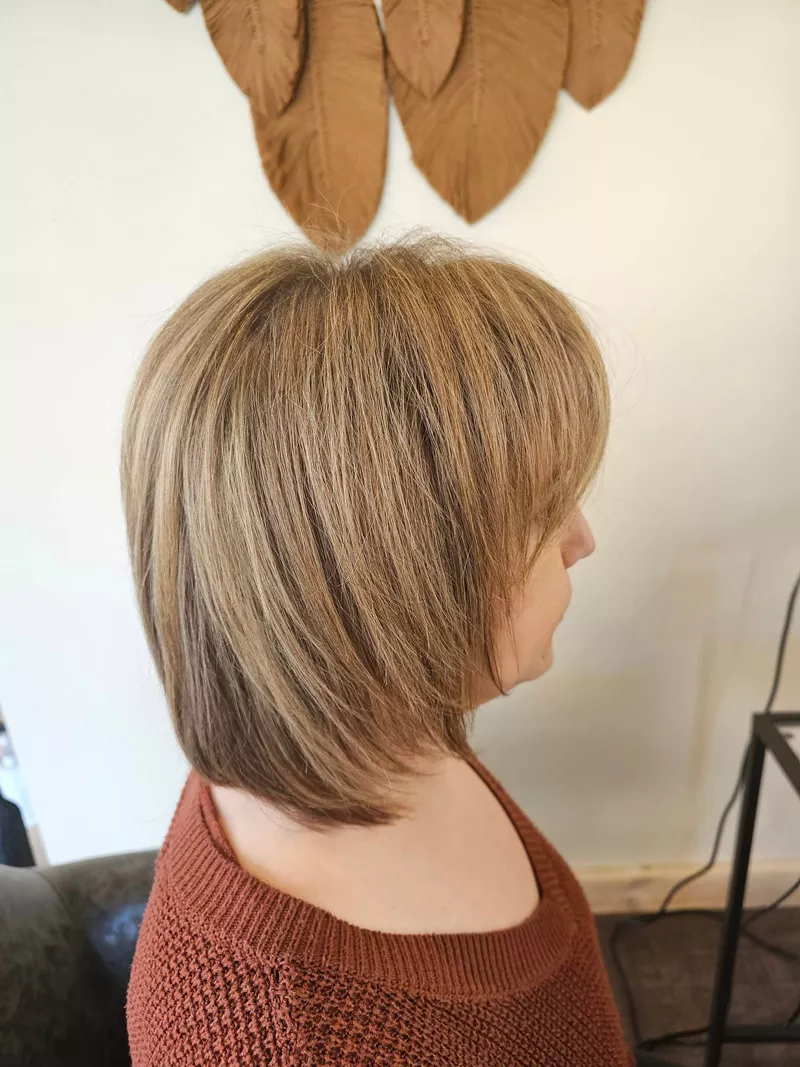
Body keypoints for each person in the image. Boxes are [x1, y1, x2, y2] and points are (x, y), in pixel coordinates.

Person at [122, 235, 640, 1066]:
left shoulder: (383, 737)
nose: (581, 538)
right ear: (389, 576)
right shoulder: (275, 1041)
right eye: (547, 511)